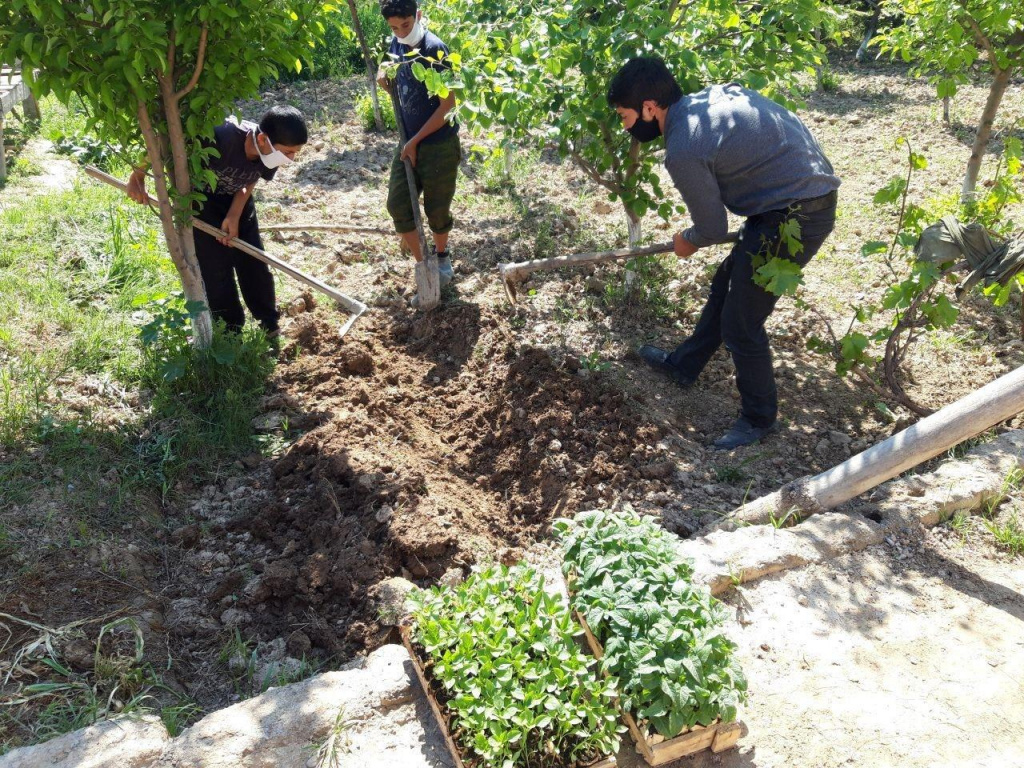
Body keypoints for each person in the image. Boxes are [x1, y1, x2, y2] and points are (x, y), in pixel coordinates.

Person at [607, 57, 840, 450]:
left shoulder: (683, 147)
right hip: (789, 201)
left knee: (741, 323)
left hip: (795, 215)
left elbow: (712, 229)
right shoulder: (709, 98)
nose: (624, 126)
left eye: (624, 115)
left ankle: (758, 418)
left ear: (648, 107)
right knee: (726, 285)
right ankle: (684, 365)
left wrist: (688, 239)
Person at [126, 106, 308, 335]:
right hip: (202, 202)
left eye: (294, 153)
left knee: (254, 262)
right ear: (262, 139)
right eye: (288, 152)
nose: (291, 159)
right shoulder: (220, 136)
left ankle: (269, 323)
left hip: (238, 200)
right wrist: (138, 175)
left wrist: (234, 214)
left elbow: (252, 177)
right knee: (215, 269)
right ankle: (230, 331)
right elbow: (162, 143)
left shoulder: (269, 153)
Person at [376, 0, 461, 300]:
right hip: (408, 140)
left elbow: (448, 106)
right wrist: (384, 78)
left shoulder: (435, 50)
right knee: (398, 204)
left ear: (418, 16)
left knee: (437, 208)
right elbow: (389, 69)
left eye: (406, 25)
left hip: (438, 145)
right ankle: (424, 264)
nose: (400, 32)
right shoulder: (396, 44)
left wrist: (416, 141)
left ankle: (442, 259)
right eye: (394, 28)